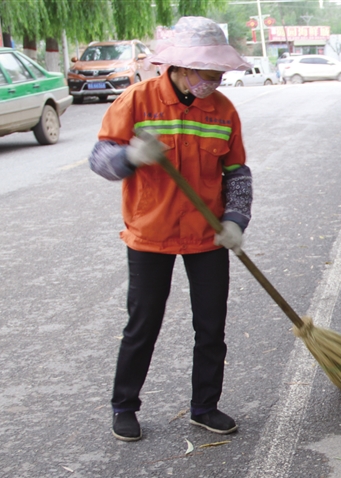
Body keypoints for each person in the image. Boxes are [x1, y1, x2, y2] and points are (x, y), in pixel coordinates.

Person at [89, 16, 253, 442]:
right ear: (179, 66)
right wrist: (130, 159)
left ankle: (205, 406)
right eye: (207, 71)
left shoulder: (223, 111)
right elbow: (100, 159)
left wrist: (236, 219)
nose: (215, 80)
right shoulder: (137, 101)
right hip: (151, 233)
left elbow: (237, 172)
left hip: (207, 234)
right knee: (143, 324)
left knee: (211, 326)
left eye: (219, 72)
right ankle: (124, 406)